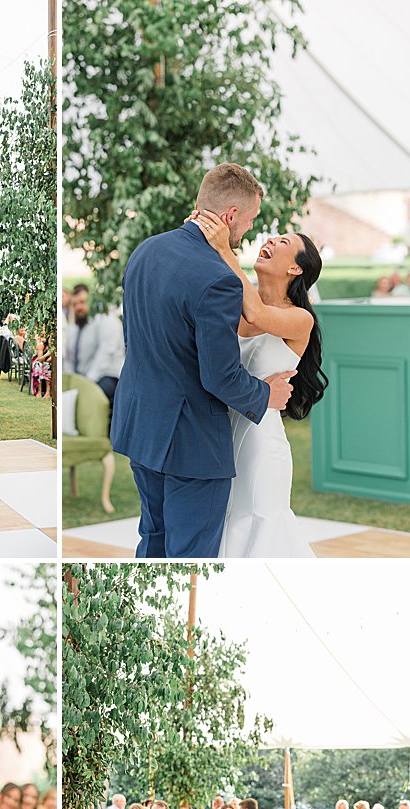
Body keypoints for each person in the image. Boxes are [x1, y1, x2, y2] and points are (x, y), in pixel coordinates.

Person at [110, 164, 296, 559]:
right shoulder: (218, 279)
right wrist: (266, 394)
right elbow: (220, 376)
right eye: (248, 221)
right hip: (191, 446)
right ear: (230, 216)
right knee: (190, 558)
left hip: (141, 426)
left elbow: (139, 342)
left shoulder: (144, 251)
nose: (247, 231)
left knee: (153, 543)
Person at [194, 204, 327, 558]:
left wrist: (225, 249)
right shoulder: (232, 298)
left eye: (282, 241)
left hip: (261, 447)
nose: (269, 240)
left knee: (260, 525)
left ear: (295, 268)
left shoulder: (300, 320)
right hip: (221, 439)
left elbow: (257, 314)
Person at [64, 284, 124, 401]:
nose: (78, 307)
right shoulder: (74, 328)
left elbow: (105, 354)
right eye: (75, 304)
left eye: (82, 302)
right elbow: (69, 358)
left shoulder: (104, 320)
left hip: (107, 375)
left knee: (89, 398)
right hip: (82, 378)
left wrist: (87, 382)